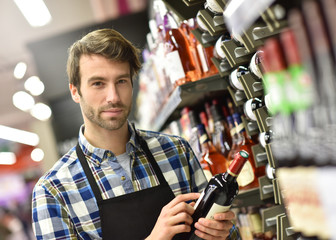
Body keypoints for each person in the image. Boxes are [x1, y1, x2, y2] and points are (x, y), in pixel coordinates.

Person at [32, 28, 238, 240]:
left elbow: (228, 233)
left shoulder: (176, 151)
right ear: (75, 91)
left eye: (121, 81)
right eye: (98, 84)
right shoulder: (53, 191)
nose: (113, 96)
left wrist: (223, 232)